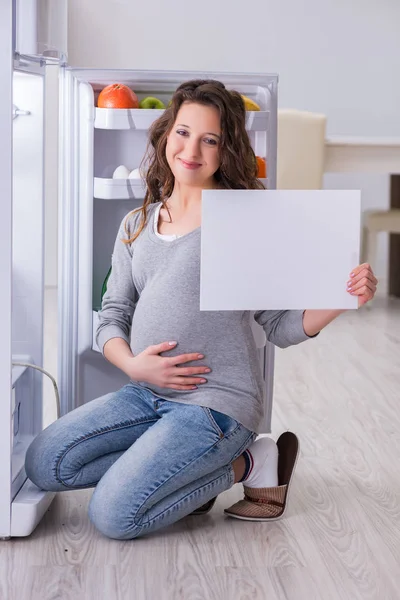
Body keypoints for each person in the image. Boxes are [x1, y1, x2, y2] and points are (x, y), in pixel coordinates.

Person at [25, 79, 378, 539]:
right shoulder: (136, 223)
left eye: (210, 139)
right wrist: (133, 365)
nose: (192, 148)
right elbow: (113, 312)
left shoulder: (245, 222)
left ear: (226, 150)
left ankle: (250, 462)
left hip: (215, 405)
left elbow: (278, 326)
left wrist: (341, 299)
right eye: (183, 132)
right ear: (166, 135)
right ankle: (187, 474)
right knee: (45, 462)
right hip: (144, 394)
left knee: (112, 516)